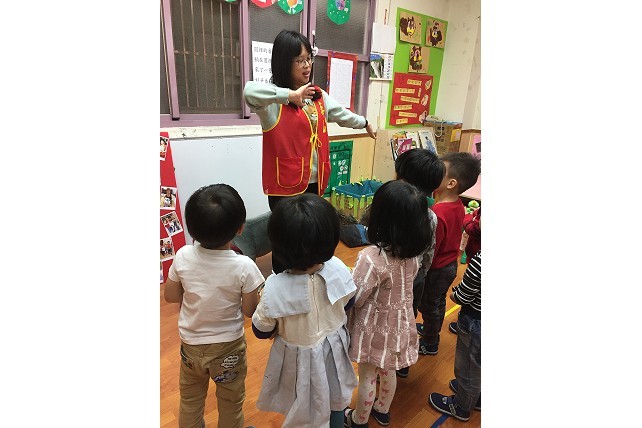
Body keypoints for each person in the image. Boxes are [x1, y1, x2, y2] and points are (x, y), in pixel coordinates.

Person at [243, 29, 376, 273]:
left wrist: (364, 122)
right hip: (285, 185)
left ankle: (307, 276)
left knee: (308, 234)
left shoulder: (317, 96)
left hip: (315, 180)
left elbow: (341, 114)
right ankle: (281, 279)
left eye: (308, 59)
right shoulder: (272, 103)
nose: (307, 66)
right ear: (284, 62)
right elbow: (248, 91)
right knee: (286, 237)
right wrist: (289, 95)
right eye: (299, 60)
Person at [251, 193, 357, 428]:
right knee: (335, 397)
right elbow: (349, 302)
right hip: (334, 349)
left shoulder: (274, 287)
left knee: (301, 404)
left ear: (277, 246)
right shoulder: (338, 267)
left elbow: (260, 330)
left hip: (297, 359)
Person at [164, 184, 265, 428]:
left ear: (192, 229)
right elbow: (249, 311)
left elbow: (171, 296)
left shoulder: (183, 255)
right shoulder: (244, 266)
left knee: (190, 400)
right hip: (228, 348)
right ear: (240, 228)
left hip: (191, 346)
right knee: (230, 402)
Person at [344, 180, 433, 428]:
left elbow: (356, 296)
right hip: (398, 326)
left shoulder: (372, 257)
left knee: (367, 375)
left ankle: (358, 419)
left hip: (373, 329)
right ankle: (382, 410)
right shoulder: (413, 256)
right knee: (388, 369)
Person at [416, 152, 481, 356]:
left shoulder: (438, 213)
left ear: (451, 183)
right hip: (449, 265)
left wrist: (420, 270)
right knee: (436, 302)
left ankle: (430, 342)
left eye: (439, 172)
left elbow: (431, 250)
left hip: (437, 268)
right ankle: (430, 330)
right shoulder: (458, 204)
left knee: (429, 306)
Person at [392, 148, 445, 378]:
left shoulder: (393, 211)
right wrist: (421, 273)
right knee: (407, 318)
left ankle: (388, 361)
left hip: (391, 277)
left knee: (389, 318)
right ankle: (402, 364)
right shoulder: (431, 216)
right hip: (415, 278)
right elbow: (429, 252)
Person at [429, 250, 481, 422]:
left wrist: (454, 294)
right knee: (479, 365)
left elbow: (463, 297)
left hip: (475, 323)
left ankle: (462, 406)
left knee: (467, 368)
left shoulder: (480, 262)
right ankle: (475, 394)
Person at [450, 205, 481, 335]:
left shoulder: (479, 262)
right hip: (474, 258)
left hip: (474, 319)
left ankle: (464, 325)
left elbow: (472, 227)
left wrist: (468, 216)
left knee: (473, 288)